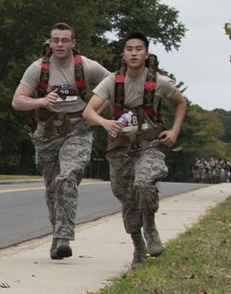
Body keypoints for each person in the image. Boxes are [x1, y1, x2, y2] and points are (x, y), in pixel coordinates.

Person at [83, 32, 187, 268]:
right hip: (120, 149)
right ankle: (138, 248)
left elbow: (180, 102)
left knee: (143, 182)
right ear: (124, 54)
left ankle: (150, 227)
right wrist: (105, 122)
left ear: (146, 54)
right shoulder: (112, 82)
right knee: (127, 199)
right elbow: (89, 111)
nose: (133, 53)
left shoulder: (160, 82)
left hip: (150, 145)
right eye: (129, 49)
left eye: (138, 49)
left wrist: (174, 131)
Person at [11, 23, 110, 260]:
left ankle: (64, 236)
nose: (60, 45)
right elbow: (18, 101)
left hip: (78, 129)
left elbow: (114, 86)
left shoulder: (87, 66)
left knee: (68, 175)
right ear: (50, 42)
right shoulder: (38, 68)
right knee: (53, 187)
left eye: (65, 40)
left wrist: (94, 112)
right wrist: (42, 101)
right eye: (56, 40)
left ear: (73, 44)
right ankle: (57, 235)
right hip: (47, 134)